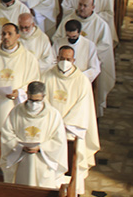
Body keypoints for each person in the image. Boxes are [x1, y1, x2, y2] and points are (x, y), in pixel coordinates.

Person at [42, 46, 100, 195]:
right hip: (50, 131)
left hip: (70, 131)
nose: (64, 62)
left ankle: (73, 191)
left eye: (68, 59)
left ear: (74, 60)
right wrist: (54, 122)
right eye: (62, 59)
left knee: (71, 163)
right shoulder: (46, 76)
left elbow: (82, 107)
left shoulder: (82, 81)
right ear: (57, 58)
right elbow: (42, 102)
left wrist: (63, 124)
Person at [0, 81, 68, 188]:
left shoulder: (53, 115)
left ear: (44, 96)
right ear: (27, 95)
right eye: (31, 100)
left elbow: (59, 140)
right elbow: (7, 134)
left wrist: (41, 148)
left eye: (37, 101)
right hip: (22, 161)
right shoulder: (16, 111)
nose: (34, 104)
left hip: (44, 163)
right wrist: (20, 146)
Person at [0, 23, 40, 133]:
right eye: (4, 34)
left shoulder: (28, 58)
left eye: (10, 34)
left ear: (17, 36)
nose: (6, 37)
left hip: (16, 105)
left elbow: (33, 81)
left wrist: (19, 92)